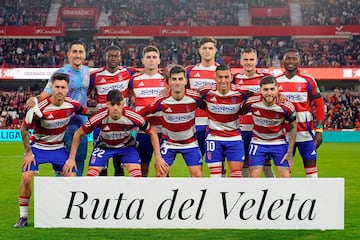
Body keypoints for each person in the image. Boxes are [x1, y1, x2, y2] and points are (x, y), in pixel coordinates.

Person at [14, 73, 90, 228]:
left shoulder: (72, 105)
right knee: (27, 177)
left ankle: (68, 215)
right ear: (52, 88)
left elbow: (87, 111)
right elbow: (23, 129)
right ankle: (23, 217)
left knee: (72, 177)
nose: (60, 90)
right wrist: (28, 152)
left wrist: (108, 109)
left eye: (63, 87)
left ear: (68, 89)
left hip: (58, 148)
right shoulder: (40, 107)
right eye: (57, 87)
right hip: (38, 148)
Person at [64, 89, 168, 177]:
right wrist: (71, 158)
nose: (115, 108)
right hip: (104, 147)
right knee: (91, 178)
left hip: (126, 147)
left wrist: (158, 157)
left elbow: (152, 132)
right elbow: (79, 133)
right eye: (112, 104)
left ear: (123, 104)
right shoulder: (99, 117)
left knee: (137, 177)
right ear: (107, 105)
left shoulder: (132, 116)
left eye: (118, 104)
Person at [27, 40, 90, 176]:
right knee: (63, 168)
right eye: (74, 52)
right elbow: (45, 94)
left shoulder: (87, 72)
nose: (77, 55)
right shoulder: (60, 73)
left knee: (79, 164)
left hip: (82, 127)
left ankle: (76, 194)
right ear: (68, 54)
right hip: (64, 128)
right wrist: (34, 99)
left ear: (85, 55)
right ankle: (61, 196)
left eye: (80, 52)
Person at [138, 65, 204, 177]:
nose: (177, 82)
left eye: (180, 79)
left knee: (197, 176)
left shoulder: (195, 98)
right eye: (174, 79)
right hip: (169, 143)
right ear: (169, 81)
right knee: (160, 174)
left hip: (190, 143)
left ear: (185, 81)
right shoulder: (162, 99)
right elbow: (142, 113)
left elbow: (210, 108)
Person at [276, 48, 325, 178]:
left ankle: (313, 197)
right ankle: (285, 198)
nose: (291, 61)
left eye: (294, 58)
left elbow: (319, 105)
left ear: (299, 61)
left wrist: (319, 129)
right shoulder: (276, 81)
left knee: (311, 172)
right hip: (284, 134)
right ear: (283, 61)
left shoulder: (308, 80)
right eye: (288, 58)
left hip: (306, 134)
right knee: (285, 172)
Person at [89, 45, 136, 176]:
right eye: (110, 56)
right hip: (101, 124)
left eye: (116, 56)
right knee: (101, 167)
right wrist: (90, 111)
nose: (113, 58)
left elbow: (145, 72)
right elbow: (85, 93)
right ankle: (103, 195)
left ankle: (117, 195)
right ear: (106, 57)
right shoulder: (95, 76)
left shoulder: (128, 72)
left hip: (122, 124)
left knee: (119, 166)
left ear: (120, 57)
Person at [198, 63, 248, 177]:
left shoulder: (241, 92)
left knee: (236, 175)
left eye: (226, 77)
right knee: (215, 177)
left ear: (231, 77)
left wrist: (279, 96)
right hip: (214, 138)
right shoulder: (205, 91)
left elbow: (261, 96)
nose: (223, 80)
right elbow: (190, 94)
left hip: (234, 137)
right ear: (215, 78)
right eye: (220, 77)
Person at [242, 76, 297, 178]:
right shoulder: (252, 103)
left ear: (277, 89)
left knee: (286, 178)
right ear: (260, 90)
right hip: (258, 142)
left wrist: (289, 152)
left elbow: (293, 127)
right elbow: (238, 110)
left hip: (278, 143)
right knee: (254, 177)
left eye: (272, 89)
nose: (269, 93)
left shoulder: (286, 106)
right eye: (265, 89)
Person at [233, 47, 275, 177]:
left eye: (251, 59)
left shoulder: (266, 78)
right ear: (241, 61)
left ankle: (274, 192)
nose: (248, 62)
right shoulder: (234, 79)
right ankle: (247, 192)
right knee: (244, 162)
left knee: (266, 164)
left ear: (256, 61)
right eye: (245, 59)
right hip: (242, 127)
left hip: (261, 128)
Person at [129, 45, 167, 177]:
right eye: (148, 57)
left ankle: (166, 195)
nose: (151, 60)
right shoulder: (134, 80)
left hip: (162, 130)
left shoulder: (166, 79)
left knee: (162, 168)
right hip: (142, 130)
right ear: (143, 60)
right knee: (143, 168)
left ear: (159, 61)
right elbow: (127, 97)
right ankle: (142, 196)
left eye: (154, 57)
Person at [185, 37, 219, 157]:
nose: (207, 51)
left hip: (216, 122)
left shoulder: (221, 72)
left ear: (215, 50)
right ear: (199, 50)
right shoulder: (190, 71)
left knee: (218, 161)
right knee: (196, 160)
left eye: (210, 48)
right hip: (196, 122)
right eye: (204, 48)